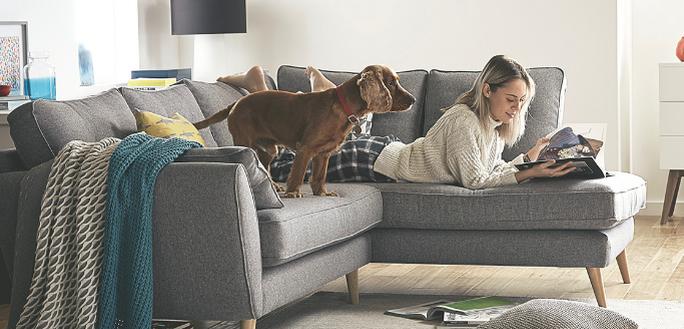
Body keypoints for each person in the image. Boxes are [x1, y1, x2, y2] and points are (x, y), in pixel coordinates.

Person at [218, 56, 575, 189]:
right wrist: (531, 173)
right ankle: (258, 90)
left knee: (301, 151)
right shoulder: (465, 121)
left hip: (387, 151)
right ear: (487, 90)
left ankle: (290, 90)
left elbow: (491, 168)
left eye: (522, 103)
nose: (516, 109)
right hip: (378, 162)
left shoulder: (492, 128)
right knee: (283, 163)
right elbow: (476, 182)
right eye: (511, 100)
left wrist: (530, 158)